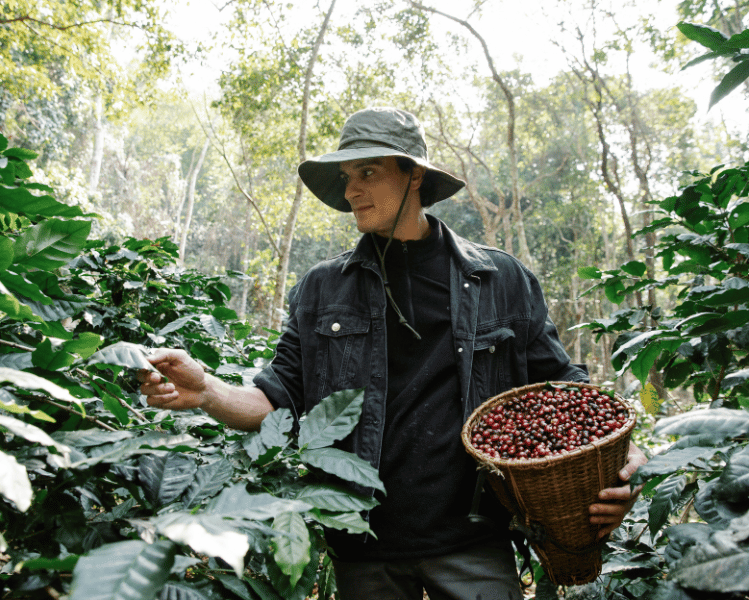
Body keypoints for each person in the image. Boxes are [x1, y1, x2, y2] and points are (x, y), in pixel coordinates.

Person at [139, 106, 647, 600]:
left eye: (368, 171)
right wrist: (206, 391)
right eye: (346, 177)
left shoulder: (500, 279)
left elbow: (567, 390)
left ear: (414, 175)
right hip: (364, 546)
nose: (351, 190)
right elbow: (277, 398)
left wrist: (625, 463)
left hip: (474, 539)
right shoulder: (322, 288)